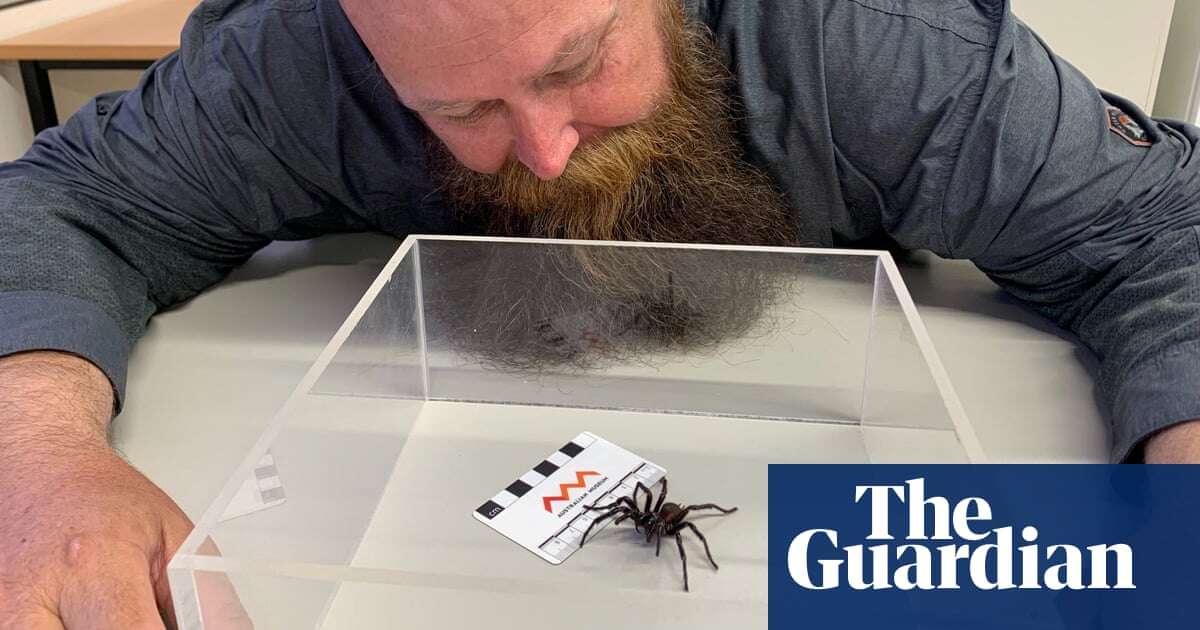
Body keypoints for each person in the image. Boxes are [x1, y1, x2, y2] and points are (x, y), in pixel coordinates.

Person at [1, 0, 1198, 626]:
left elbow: (1161, 229)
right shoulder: (288, 65)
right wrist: (40, 456)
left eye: (576, 64)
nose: (543, 146)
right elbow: (64, 202)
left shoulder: (877, 48)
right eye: (459, 105)